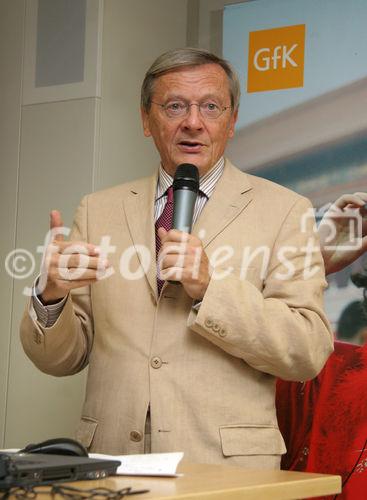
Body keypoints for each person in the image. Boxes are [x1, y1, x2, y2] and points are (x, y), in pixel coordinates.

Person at [20, 48, 333, 469]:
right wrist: (51, 296)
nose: (193, 122)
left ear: (232, 120)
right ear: (146, 120)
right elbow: (62, 359)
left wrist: (211, 289)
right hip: (114, 464)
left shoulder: (284, 211)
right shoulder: (99, 210)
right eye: (174, 106)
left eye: (210, 106)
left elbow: (307, 350)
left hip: (227, 472)